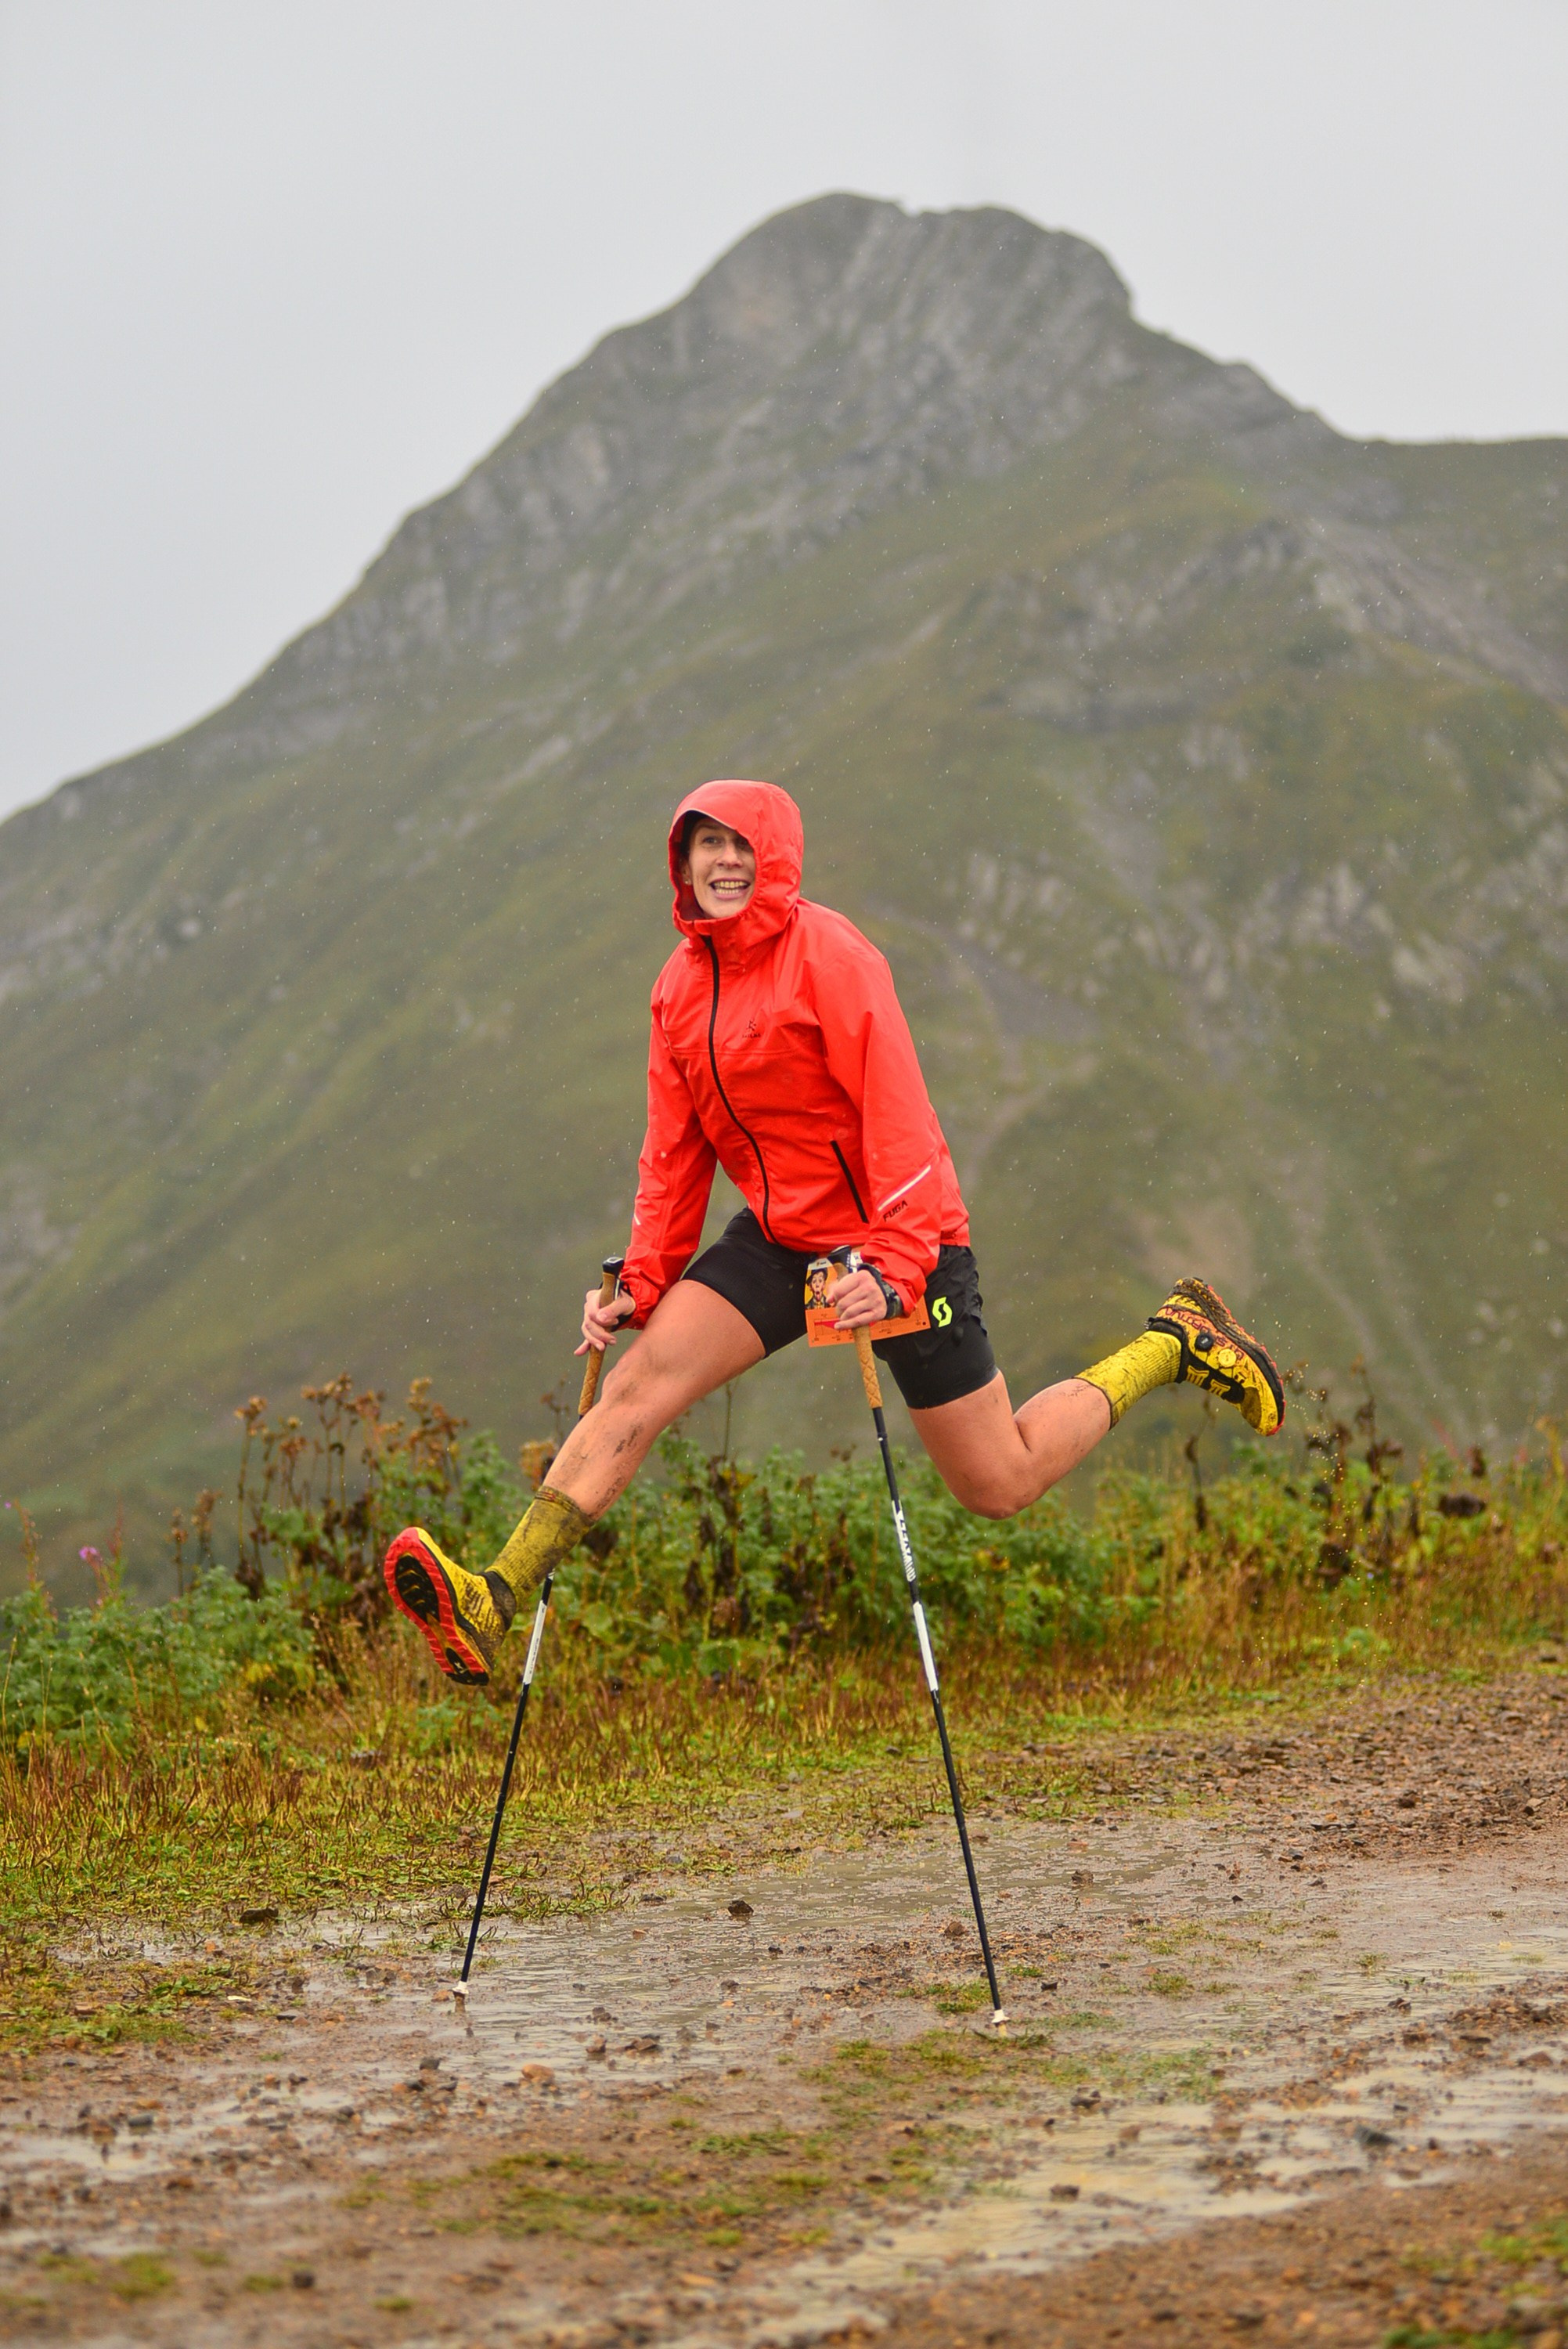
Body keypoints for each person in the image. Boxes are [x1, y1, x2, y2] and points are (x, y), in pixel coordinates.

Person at [386, 780, 1282, 1683]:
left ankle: (1173, 1342)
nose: (725, 862)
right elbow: (672, 1154)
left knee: (997, 1483)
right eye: (708, 845)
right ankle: (492, 1599)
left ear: (772, 856)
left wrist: (894, 1266)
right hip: (779, 1239)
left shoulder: (832, 956)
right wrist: (644, 1282)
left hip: (896, 1235)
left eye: (742, 845)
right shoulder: (676, 991)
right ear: (681, 861)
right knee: (639, 1385)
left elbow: (900, 1120)